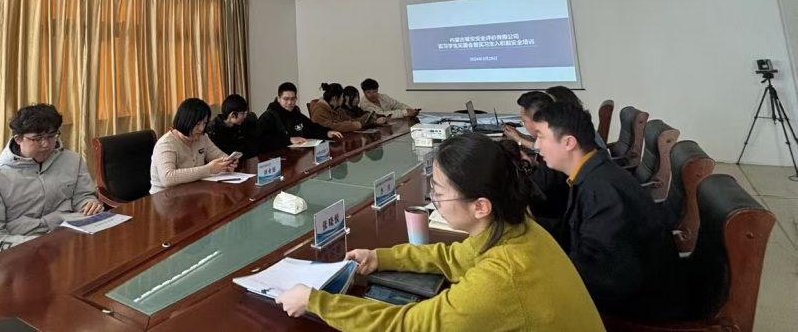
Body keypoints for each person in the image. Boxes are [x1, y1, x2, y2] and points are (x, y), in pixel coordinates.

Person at [275, 133, 603, 330]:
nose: (433, 198)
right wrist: (380, 257)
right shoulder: (516, 226)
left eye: (439, 191)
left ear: (480, 206)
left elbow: (408, 325)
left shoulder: (502, 278)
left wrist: (318, 302)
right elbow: (454, 256)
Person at [532, 101, 682, 319]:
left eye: (541, 137)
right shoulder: (592, 173)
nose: (536, 146)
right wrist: (529, 225)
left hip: (639, 310)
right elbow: (573, 230)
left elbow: (604, 279)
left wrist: (541, 275)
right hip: (625, 290)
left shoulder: (603, 193)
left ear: (568, 142)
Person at [0, 104, 102, 260]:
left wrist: (88, 203)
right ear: (18, 138)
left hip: (70, 240)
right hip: (22, 252)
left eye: (51, 136)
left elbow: (83, 195)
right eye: (37, 139)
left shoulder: (72, 160)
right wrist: (35, 244)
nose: (45, 144)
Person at [502, 90, 568, 228]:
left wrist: (524, 167)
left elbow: (539, 188)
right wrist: (533, 164)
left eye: (524, 121)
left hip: (551, 221)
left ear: (537, 121)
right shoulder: (559, 134)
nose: (537, 146)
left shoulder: (554, 151)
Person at [150, 98, 238, 193]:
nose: (201, 128)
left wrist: (228, 163)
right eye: (197, 124)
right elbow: (167, 178)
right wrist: (209, 169)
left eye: (204, 123)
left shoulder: (202, 137)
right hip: (165, 196)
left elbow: (220, 156)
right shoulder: (166, 144)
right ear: (185, 121)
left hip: (192, 192)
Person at [257, 82, 343, 152]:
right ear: (278, 99)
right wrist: (289, 140)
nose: (290, 102)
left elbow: (311, 127)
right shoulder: (268, 117)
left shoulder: (296, 113)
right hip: (276, 159)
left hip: (297, 155)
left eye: (293, 99)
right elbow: (263, 141)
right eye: (286, 99)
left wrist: (327, 132)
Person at [206, 94, 259, 160]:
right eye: (242, 113)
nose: (245, 116)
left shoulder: (244, 124)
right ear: (232, 115)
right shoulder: (213, 130)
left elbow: (252, 147)